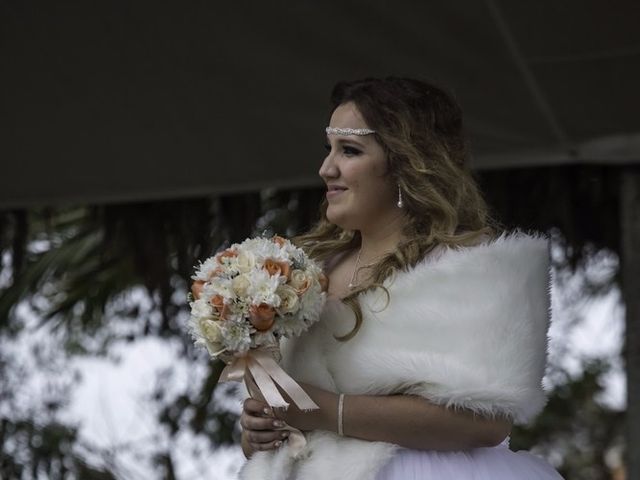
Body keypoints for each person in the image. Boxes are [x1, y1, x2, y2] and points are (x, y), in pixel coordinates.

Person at [238, 77, 564, 479]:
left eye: (350, 150)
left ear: (406, 162)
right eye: (329, 150)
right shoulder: (305, 270)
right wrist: (260, 431)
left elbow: (486, 422)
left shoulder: (472, 266)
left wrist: (324, 411)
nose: (327, 169)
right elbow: (287, 407)